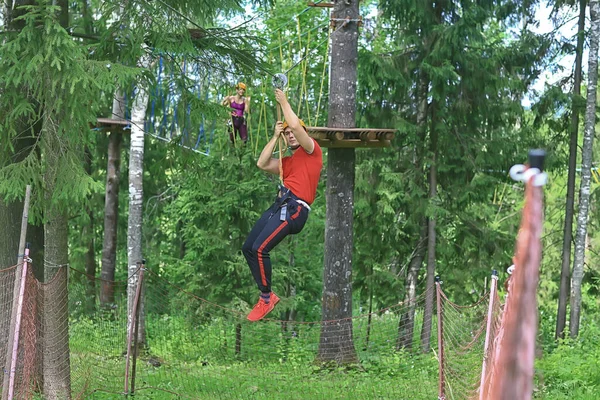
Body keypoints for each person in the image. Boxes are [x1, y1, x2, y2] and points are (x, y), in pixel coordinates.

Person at [242, 88, 323, 321]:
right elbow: (261, 162)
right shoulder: (287, 161)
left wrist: (284, 101)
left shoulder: (312, 151)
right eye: (287, 135)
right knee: (249, 247)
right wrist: (275, 137)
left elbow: (296, 126)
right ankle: (265, 295)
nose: (291, 136)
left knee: (260, 249)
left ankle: (266, 298)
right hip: (281, 206)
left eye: (294, 133)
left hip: (296, 209)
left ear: (305, 134)